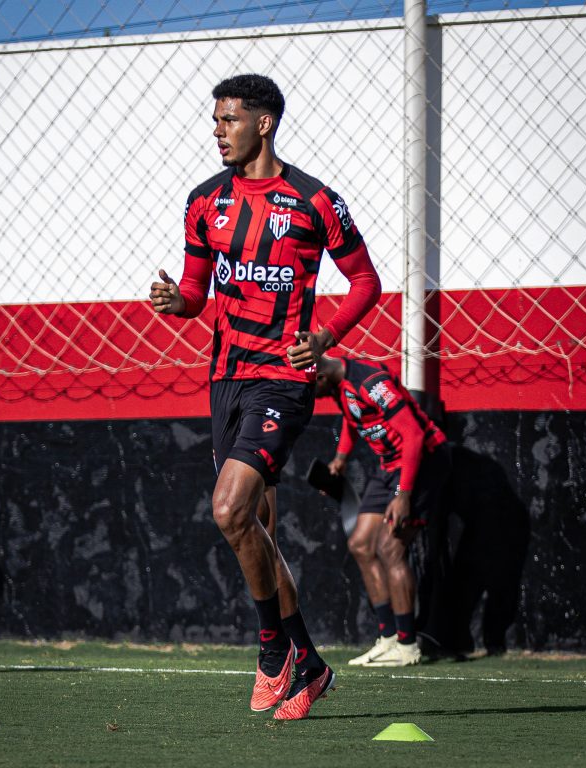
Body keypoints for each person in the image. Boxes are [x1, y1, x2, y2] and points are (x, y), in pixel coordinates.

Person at [149, 74, 381, 719]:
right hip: (225, 380)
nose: (217, 130)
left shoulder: (314, 201)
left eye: (228, 119)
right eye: (215, 119)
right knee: (255, 528)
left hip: (282, 378)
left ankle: (274, 650)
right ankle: (307, 663)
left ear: (264, 123)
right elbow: (196, 294)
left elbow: (366, 280)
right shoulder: (203, 202)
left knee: (228, 511)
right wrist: (177, 303)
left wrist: (327, 333)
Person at [315, 354, 451, 667]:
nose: (311, 397)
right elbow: (353, 419)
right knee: (361, 544)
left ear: (321, 376)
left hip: (423, 461)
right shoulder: (340, 385)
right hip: (388, 465)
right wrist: (341, 458)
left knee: (391, 549)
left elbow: (415, 435)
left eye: (310, 389)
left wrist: (403, 495)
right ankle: (388, 639)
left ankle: (407, 646)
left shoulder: (370, 382)